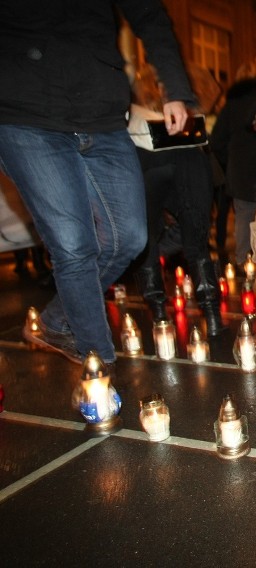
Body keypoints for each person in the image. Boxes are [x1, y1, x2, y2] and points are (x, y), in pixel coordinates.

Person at [0, 0, 192, 367]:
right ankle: (101, 376)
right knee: (75, 248)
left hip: (102, 115)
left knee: (130, 238)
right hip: (25, 112)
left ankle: (56, 320)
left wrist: (176, 88)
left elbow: (149, 14)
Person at [130, 65, 224, 336]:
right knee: (197, 244)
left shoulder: (135, 114)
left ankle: (159, 313)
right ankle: (212, 315)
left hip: (147, 162)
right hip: (189, 158)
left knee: (147, 239)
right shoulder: (188, 112)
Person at [210, 64, 256, 268]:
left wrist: (229, 160)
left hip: (240, 169)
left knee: (244, 216)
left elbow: (217, 141)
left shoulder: (232, 104)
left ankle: (244, 262)